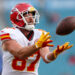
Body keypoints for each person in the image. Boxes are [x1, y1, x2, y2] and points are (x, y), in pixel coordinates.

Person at [0, 3, 73, 75]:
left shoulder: (40, 34)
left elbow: (47, 58)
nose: (31, 18)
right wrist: (37, 46)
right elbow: (20, 54)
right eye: (27, 15)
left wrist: (55, 53)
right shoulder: (9, 33)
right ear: (17, 18)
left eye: (32, 15)